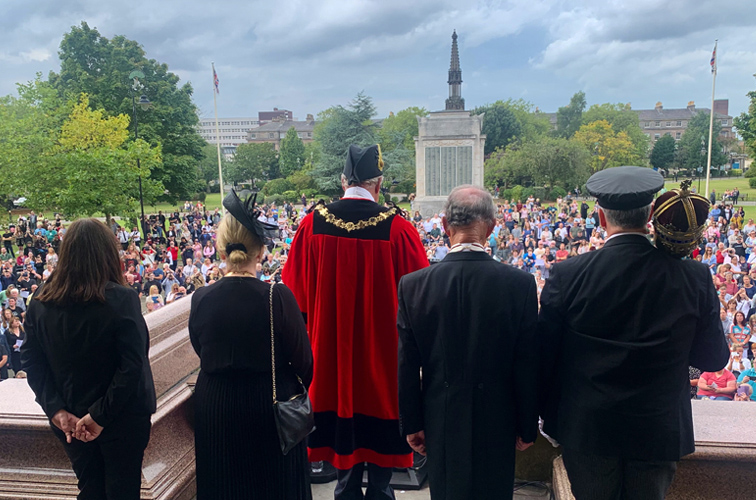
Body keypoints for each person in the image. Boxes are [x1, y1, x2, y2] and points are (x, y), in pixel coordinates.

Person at [538, 174, 729, 500]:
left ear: (600, 217)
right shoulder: (693, 275)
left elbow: (544, 354)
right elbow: (713, 358)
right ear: (651, 213)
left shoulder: (567, 274)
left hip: (588, 428)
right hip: (658, 427)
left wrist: (547, 416)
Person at [283, 144, 429, 500]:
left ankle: (345, 488)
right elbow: (422, 303)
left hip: (329, 364)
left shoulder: (311, 226)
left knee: (344, 476)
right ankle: (379, 490)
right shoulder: (399, 230)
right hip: (383, 365)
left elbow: (294, 299)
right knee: (380, 474)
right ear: (377, 184)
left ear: (343, 181)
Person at [396, 186, 538, 500]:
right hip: (498, 418)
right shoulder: (520, 285)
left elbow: (407, 365)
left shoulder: (414, 286)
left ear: (445, 225)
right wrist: (527, 425)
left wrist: (412, 423)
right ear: (491, 227)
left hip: (441, 417)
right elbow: (527, 363)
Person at [189, 190, 313, 500]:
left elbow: (201, 349)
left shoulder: (201, 298)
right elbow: (304, 363)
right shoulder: (277, 297)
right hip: (269, 408)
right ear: (260, 252)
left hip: (216, 407)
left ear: (221, 251)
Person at [22, 218, 156, 500]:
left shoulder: (41, 300)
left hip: (69, 417)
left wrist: (56, 409)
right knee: (123, 491)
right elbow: (132, 365)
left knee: (90, 487)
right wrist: (99, 415)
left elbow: (32, 361)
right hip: (121, 417)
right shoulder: (121, 299)